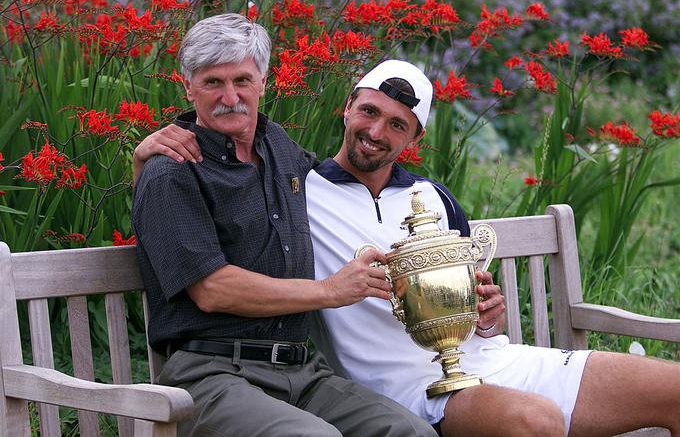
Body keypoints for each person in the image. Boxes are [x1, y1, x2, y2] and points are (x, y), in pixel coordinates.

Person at [134, 53, 680, 436]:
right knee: (531, 422)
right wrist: (145, 154)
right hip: (407, 387)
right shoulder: (299, 185)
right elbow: (211, 194)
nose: (376, 132)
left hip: (489, 359)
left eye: (398, 124)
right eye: (369, 112)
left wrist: (485, 312)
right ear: (346, 106)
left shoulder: (434, 198)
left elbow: (476, 301)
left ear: (415, 139)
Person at [132, 13, 439, 437]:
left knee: (412, 432)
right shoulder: (172, 171)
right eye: (212, 82)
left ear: (263, 81)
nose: (230, 96)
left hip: (300, 370)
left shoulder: (278, 147)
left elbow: (343, 191)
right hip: (210, 376)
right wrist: (329, 291)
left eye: (242, 80)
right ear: (188, 86)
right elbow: (212, 290)